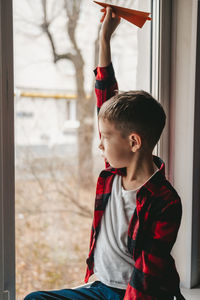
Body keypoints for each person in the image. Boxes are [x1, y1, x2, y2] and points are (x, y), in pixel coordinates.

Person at [24, 6, 185, 300]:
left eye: (106, 138)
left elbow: (145, 276)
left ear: (134, 142)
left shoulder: (165, 202)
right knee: (35, 299)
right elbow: (107, 102)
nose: (100, 144)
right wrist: (104, 40)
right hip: (102, 288)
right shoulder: (113, 173)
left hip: (137, 294)